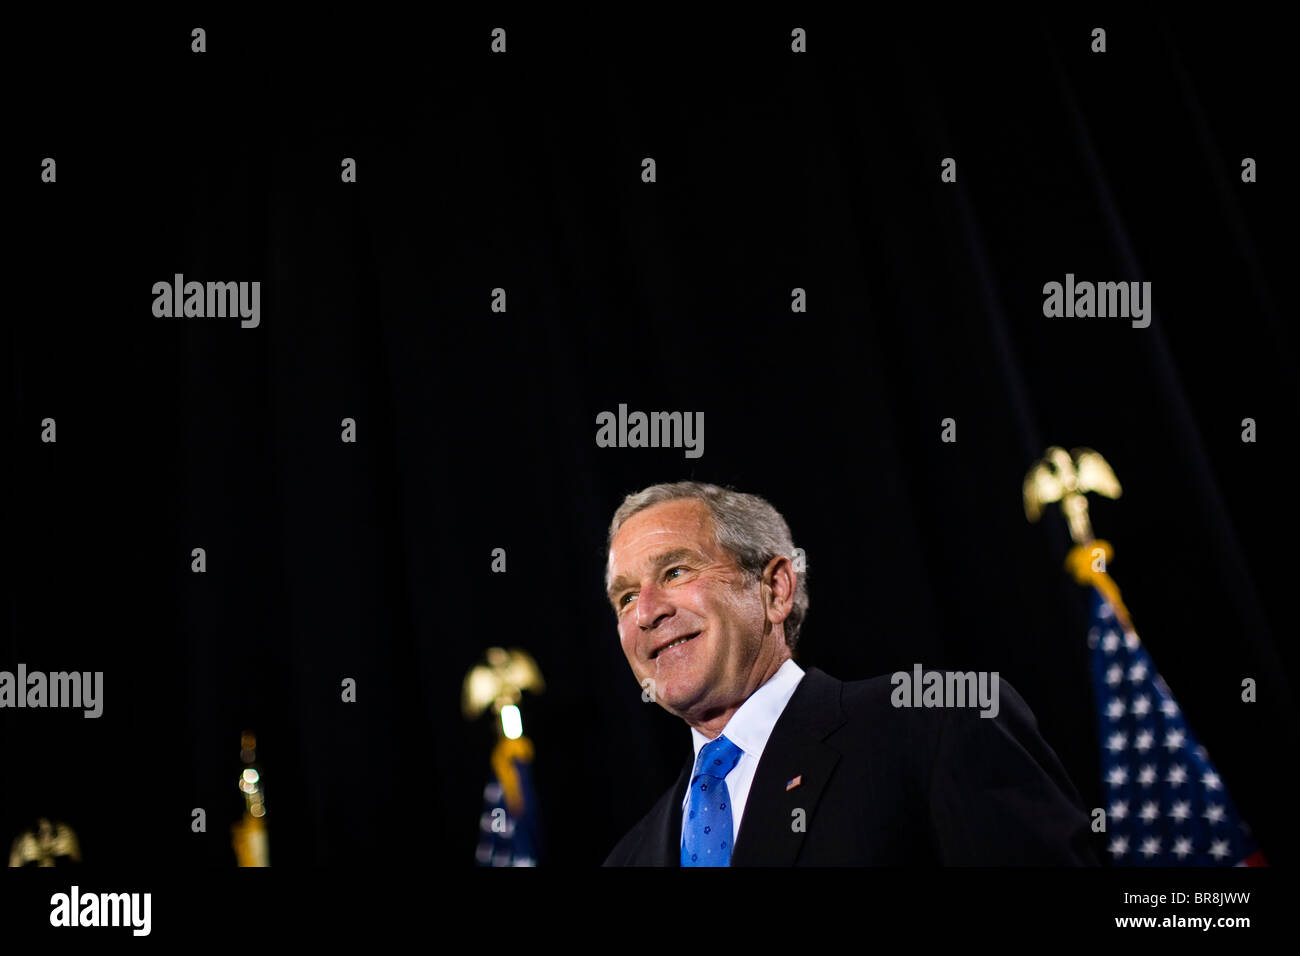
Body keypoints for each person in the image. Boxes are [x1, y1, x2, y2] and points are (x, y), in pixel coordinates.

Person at [601, 481, 1098, 866]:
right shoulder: (630, 856)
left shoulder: (936, 725)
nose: (645, 612)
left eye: (676, 572)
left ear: (775, 590)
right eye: (624, 598)